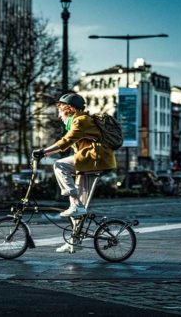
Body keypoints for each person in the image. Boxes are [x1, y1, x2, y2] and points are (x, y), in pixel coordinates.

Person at [32, 93, 117, 251]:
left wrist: (43, 152)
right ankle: (74, 242)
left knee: (60, 165)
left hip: (94, 160)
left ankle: (76, 206)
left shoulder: (81, 121)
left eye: (60, 112)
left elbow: (65, 142)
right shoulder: (78, 121)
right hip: (89, 162)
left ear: (69, 109)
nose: (58, 116)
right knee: (78, 210)